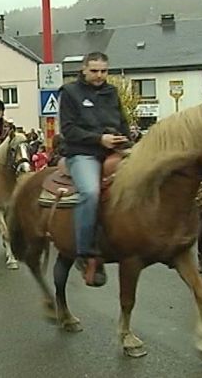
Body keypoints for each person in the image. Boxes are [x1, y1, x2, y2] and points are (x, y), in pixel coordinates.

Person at [59, 51, 129, 287]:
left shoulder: (111, 92)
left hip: (113, 151)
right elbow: (68, 130)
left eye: (104, 71)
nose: (100, 76)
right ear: (84, 69)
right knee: (90, 193)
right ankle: (84, 251)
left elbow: (123, 123)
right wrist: (100, 139)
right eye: (95, 71)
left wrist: (126, 140)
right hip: (82, 153)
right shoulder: (70, 93)